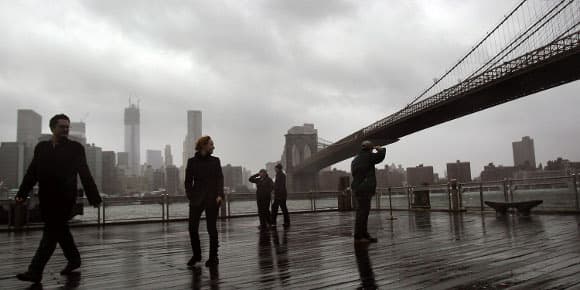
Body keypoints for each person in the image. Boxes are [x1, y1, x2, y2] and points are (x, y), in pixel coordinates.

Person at [15, 114, 102, 284]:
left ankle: (35, 271)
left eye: (67, 127)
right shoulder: (41, 148)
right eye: (62, 127)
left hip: (65, 199)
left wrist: (94, 196)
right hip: (46, 198)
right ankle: (74, 259)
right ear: (52, 128)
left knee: (50, 234)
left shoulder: (75, 148)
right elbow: (32, 172)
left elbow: (84, 173)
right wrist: (21, 194)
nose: (66, 130)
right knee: (60, 231)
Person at [185, 136, 224, 268]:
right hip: (196, 199)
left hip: (212, 198)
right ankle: (197, 255)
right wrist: (190, 196)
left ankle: (213, 257)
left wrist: (219, 195)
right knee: (192, 228)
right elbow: (188, 182)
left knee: (211, 229)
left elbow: (220, 178)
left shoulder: (215, 161)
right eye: (211, 144)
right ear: (203, 146)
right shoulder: (192, 162)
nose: (213, 147)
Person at [350, 140, 386, 243]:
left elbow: (354, 174)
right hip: (365, 188)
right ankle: (359, 236)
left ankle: (364, 234)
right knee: (363, 213)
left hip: (357, 188)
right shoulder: (369, 156)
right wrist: (380, 149)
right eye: (371, 149)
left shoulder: (355, 160)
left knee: (362, 212)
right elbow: (380, 157)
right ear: (370, 149)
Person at [271, 164, 290, 228]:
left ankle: (275, 222)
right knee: (281, 208)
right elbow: (278, 185)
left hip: (280, 195)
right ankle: (286, 222)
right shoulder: (279, 175)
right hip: (280, 195)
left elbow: (281, 185)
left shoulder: (282, 175)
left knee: (278, 208)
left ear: (278, 168)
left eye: (275, 168)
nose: (275, 170)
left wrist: (278, 194)